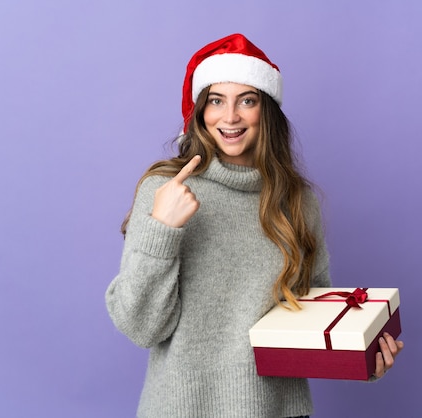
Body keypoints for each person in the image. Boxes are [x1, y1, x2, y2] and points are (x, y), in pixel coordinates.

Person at [105, 33, 403, 418]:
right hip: (182, 409)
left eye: (247, 100)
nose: (230, 117)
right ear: (200, 112)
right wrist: (161, 228)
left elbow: (314, 318)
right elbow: (141, 327)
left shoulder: (298, 202)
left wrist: (364, 357)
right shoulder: (166, 190)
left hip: (280, 411)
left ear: (267, 111)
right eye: (216, 100)